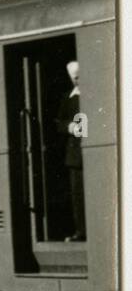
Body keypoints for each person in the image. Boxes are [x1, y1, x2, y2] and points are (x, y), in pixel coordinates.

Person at [55, 60, 85, 242]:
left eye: (79, 76)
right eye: (74, 77)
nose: (77, 80)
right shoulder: (68, 97)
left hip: (90, 150)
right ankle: (81, 231)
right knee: (78, 196)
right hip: (75, 155)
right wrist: (70, 127)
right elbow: (59, 122)